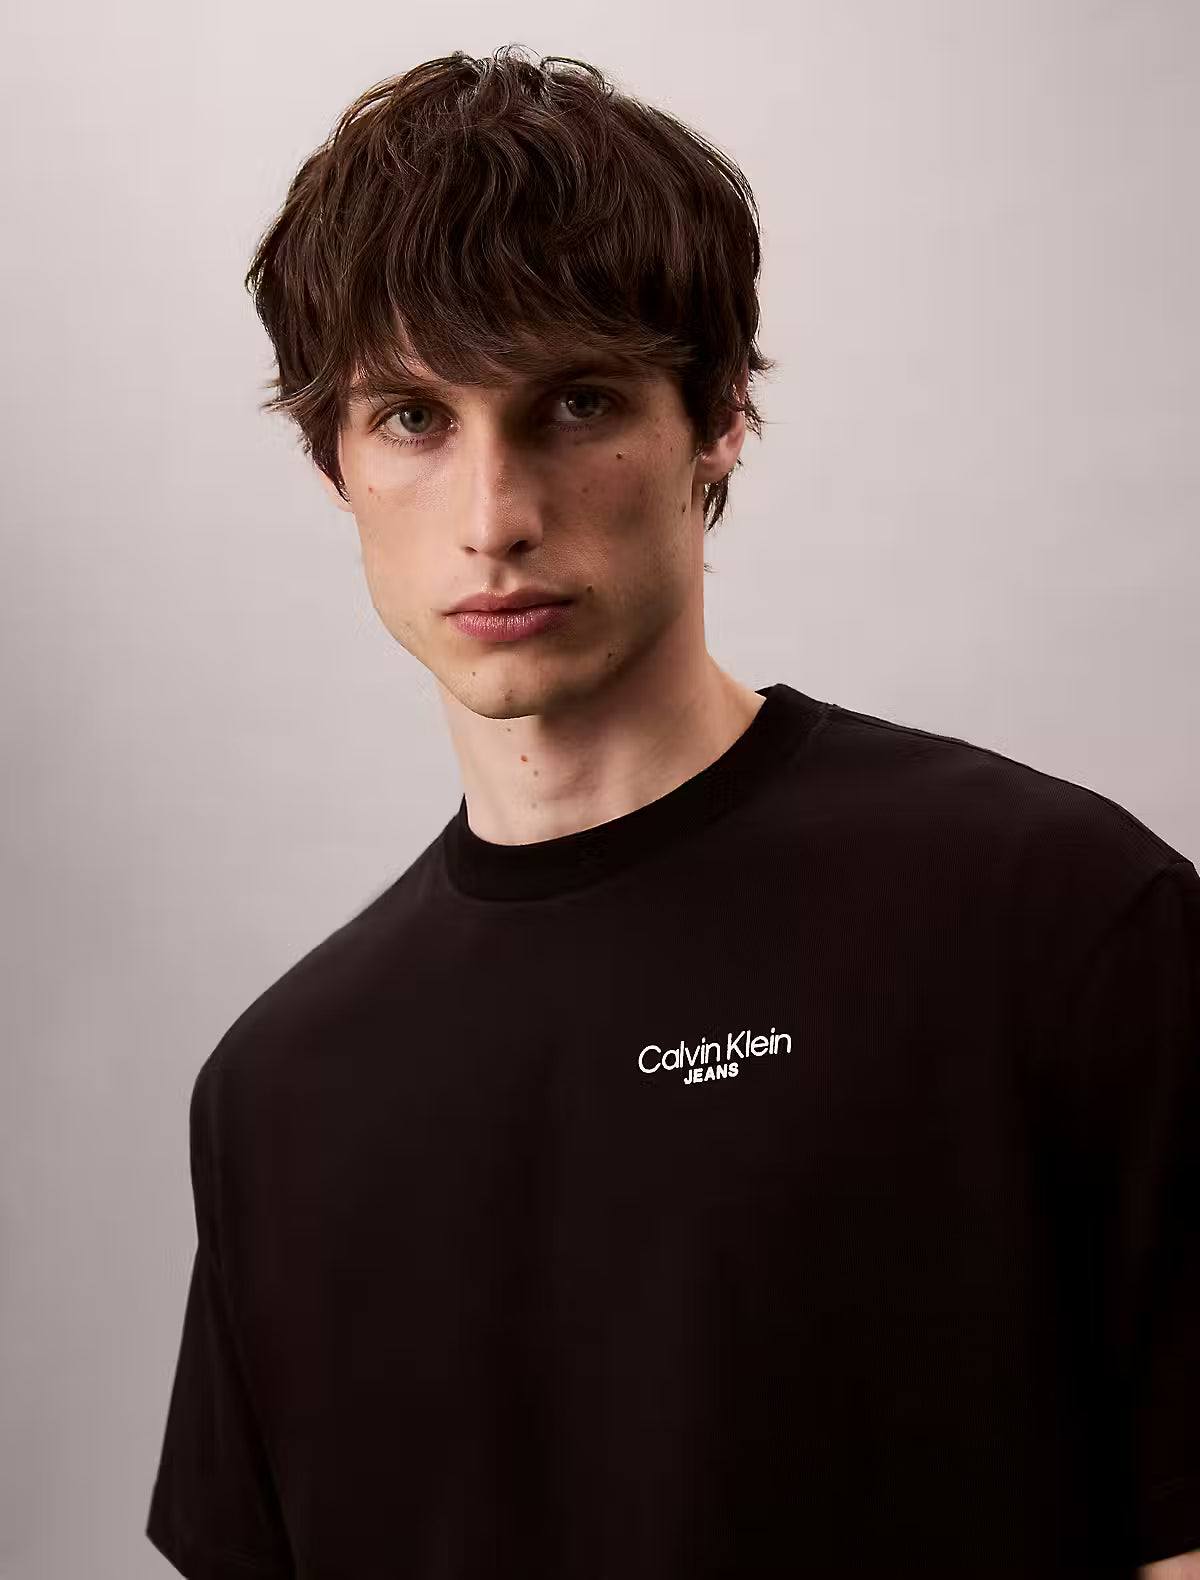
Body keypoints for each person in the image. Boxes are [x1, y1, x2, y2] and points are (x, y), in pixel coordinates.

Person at [145, 45, 1200, 1580]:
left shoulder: (1054, 919)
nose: (495, 517)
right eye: (414, 419)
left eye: (574, 403)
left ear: (718, 418)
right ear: (333, 463)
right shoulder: (275, 1096)